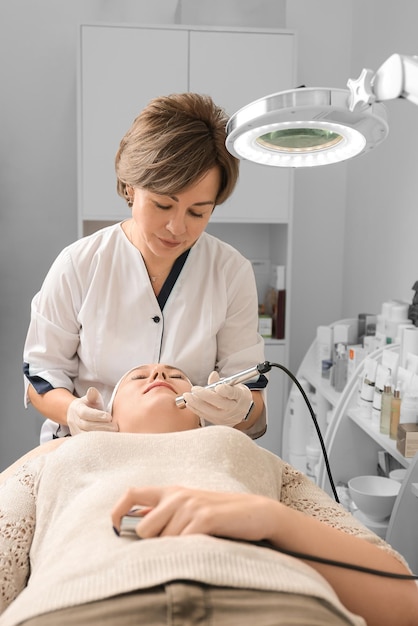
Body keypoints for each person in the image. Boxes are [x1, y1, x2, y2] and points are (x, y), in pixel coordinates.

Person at [1, 364, 417, 626]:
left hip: (277, 605)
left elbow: (401, 596)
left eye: (177, 376)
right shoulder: (61, 452)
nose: (160, 376)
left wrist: (272, 520)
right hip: (78, 606)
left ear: (203, 409)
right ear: (109, 414)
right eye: (139, 377)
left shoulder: (244, 450)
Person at [22, 92, 267, 444]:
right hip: (89, 450)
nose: (177, 228)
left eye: (198, 212)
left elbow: (251, 392)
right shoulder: (79, 264)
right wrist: (73, 411)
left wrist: (241, 410)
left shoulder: (230, 272)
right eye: (163, 205)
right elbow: (42, 375)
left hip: (186, 455)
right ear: (129, 187)